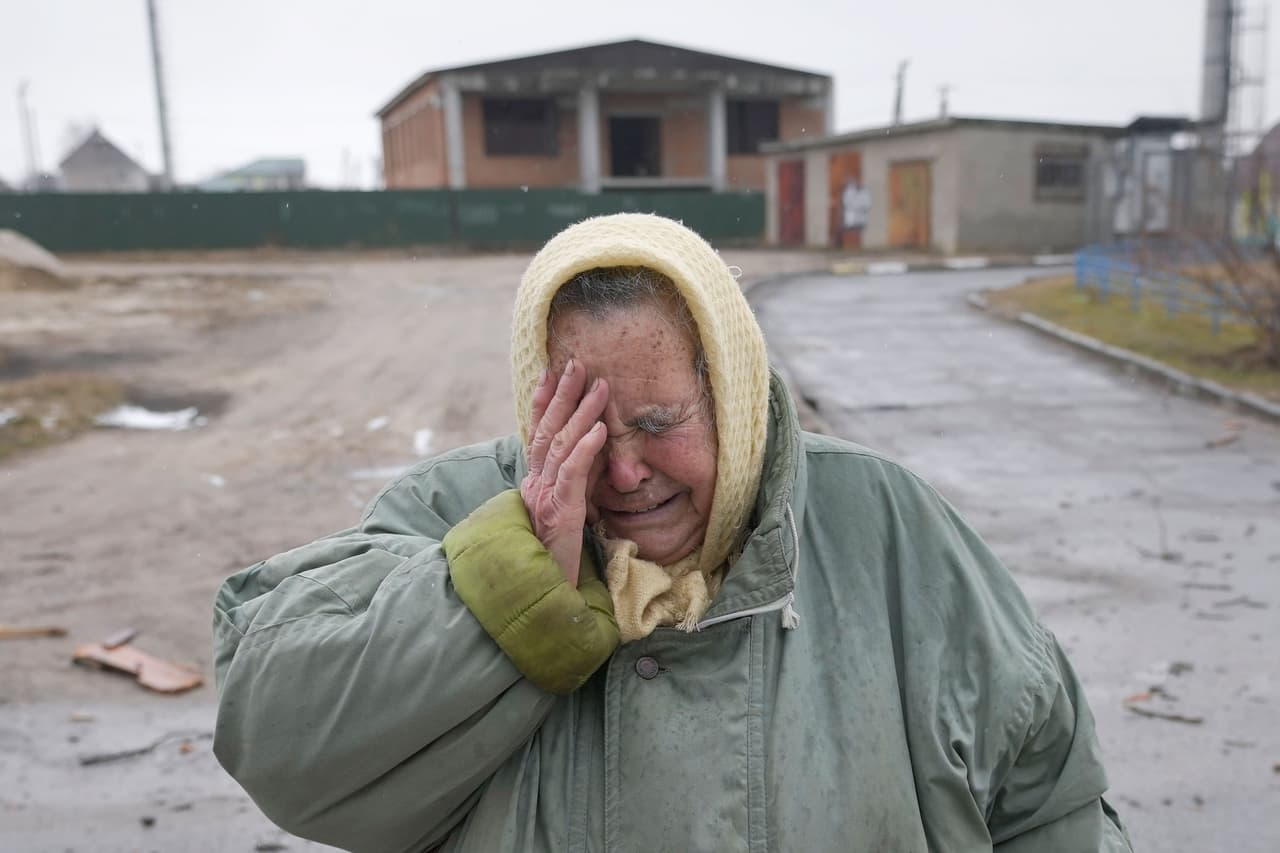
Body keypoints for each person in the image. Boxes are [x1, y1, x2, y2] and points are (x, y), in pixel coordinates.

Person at [212, 214, 1132, 853]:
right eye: (585, 429)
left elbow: (1049, 801)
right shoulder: (455, 510)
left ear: (729, 392)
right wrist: (512, 576)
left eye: (658, 422)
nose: (621, 472)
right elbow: (283, 743)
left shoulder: (886, 525)